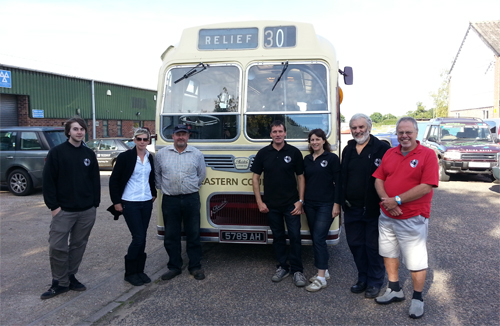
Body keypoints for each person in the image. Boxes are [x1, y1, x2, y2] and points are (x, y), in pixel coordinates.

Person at [373, 117, 438, 319]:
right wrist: (387, 201)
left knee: (415, 259)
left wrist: (397, 200)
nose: (404, 136)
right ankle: (394, 289)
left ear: (416, 132)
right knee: (388, 252)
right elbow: (379, 178)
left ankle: (417, 298)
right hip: (387, 214)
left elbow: (426, 185)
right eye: (400, 132)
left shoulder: (427, 155)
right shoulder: (389, 152)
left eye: (408, 132)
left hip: (412, 217)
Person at [40, 117, 101, 300]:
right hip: (63, 210)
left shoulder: (89, 154)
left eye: (82, 129)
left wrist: (94, 204)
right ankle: (59, 282)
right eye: (75, 129)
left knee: (78, 246)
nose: (79, 132)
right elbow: (48, 181)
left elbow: (95, 181)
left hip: (86, 210)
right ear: (68, 132)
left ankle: (70, 277)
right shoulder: (56, 153)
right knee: (57, 246)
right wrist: (54, 207)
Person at [251, 120, 307, 287]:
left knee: (295, 237)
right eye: (274, 132)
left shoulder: (294, 152)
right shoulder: (263, 153)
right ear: (270, 134)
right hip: (271, 205)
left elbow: (301, 177)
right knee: (278, 237)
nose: (277, 134)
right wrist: (259, 202)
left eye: (280, 131)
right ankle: (282, 267)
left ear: (285, 133)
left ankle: (298, 270)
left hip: (291, 204)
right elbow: (255, 177)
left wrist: (301, 201)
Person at [340, 113, 390, 298]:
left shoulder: (382, 148)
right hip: (352, 208)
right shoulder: (349, 149)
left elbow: (389, 177)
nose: (357, 131)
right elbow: (342, 177)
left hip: (373, 209)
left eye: (361, 127)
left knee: (373, 246)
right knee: (355, 244)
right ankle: (362, 278)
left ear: (369, 127)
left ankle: (375, 281)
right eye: (354, 128)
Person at [155, 124, 207, 281]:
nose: (181, 137)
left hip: (191, 198)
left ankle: (195, 266)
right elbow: (157, 176)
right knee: (171, 234)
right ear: (173, 136)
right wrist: (166, 188)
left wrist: (189, 187)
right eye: (178, 134)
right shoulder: (161, 154)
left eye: (184, 134)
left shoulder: (196, 154)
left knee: (193, 233)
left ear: (188, 137)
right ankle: (174, 267)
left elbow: (201, 175)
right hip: (170, 199)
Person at [109, 128, 157, 286]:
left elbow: (151, 177)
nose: (142, 142)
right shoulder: (125, 157)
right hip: (130, 202)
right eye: (139, 139)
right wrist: (116, 202)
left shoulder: (150, 157)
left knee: (142, 237)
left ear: (149, 141)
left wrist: (153, 193)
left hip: (146, 202)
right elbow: (114, 180)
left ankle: (139, 271)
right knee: (138, 237)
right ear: (134, 140)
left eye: (145, 139)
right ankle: (129, 273)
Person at [302, 129, 341, 292]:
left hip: (326, 204)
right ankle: (324, 270)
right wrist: (302, 202)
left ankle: (320, 278)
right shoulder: (307, 159)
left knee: (318, 237)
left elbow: (339, 183)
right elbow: (303, 180)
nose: (315, 142)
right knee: (317, 237)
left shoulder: (332, 158)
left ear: (324, 141)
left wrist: (337, 204)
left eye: (318, 139)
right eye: (312, 140)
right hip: (310, 204)